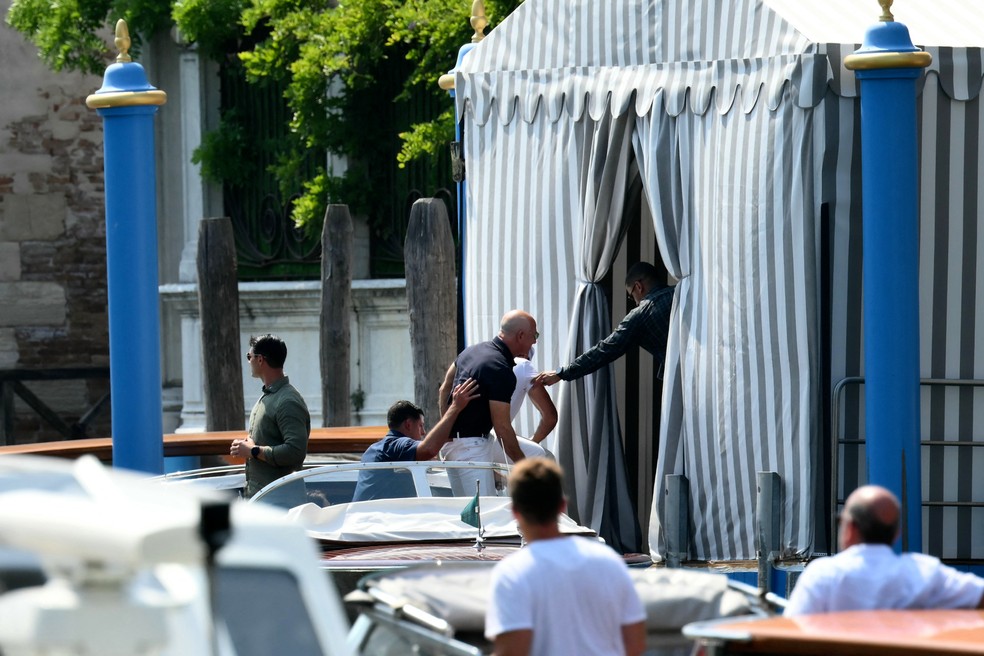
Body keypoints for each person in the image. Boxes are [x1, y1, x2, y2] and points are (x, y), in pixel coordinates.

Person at [485, 458, 646, 656]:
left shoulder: (511, 573)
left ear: (515, 512)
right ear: (562, 507)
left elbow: (512, 651)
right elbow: (635, 644)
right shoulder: (609, 561)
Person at [784, 485, 984, 616]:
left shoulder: (822, 574)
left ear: (850, 529)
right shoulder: (925, 573)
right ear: (896, 533)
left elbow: (791, 634)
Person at [440, 310, 538, 495]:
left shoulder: (470, 351)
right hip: (472, 449)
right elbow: (502, 429)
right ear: (520, 336)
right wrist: (526, 469)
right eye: (535, 335)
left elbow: (444, 388)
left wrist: (447, 429)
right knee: (483, 511)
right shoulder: (500, 369)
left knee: (466, 511)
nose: (535, 341)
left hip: (452, 446)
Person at [536, 262, 673, 387]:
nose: (636, 302)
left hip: (677, 378)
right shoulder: (680, 293)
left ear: (638, 286)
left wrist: (562, 373)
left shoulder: (641, 315)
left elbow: (604, 350)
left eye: (631, 296)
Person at [352, 379, 479, 502]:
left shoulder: (374, 449)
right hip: (380, 515)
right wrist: (455, 407)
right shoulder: (396, 445)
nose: (423, 432)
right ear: (408, 424)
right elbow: (429, 449)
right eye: (420, 426)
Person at [438, 344, 557, 462]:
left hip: (451, 440)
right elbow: (550, 417)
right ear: (525, 354)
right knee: (544, 457)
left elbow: (444, 389)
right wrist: (533, 441)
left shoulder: (476, 356)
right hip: (483, 439)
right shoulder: (524, 366)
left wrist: (448, 430)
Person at [230, 334, 310, 499]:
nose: (248, 362)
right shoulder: (269, 396)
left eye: (249, 357)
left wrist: (253, 451)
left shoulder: (287, 401)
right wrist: (248, 444)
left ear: (260, 359)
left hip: (281, 503)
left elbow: (295, 451)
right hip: (264, 499)